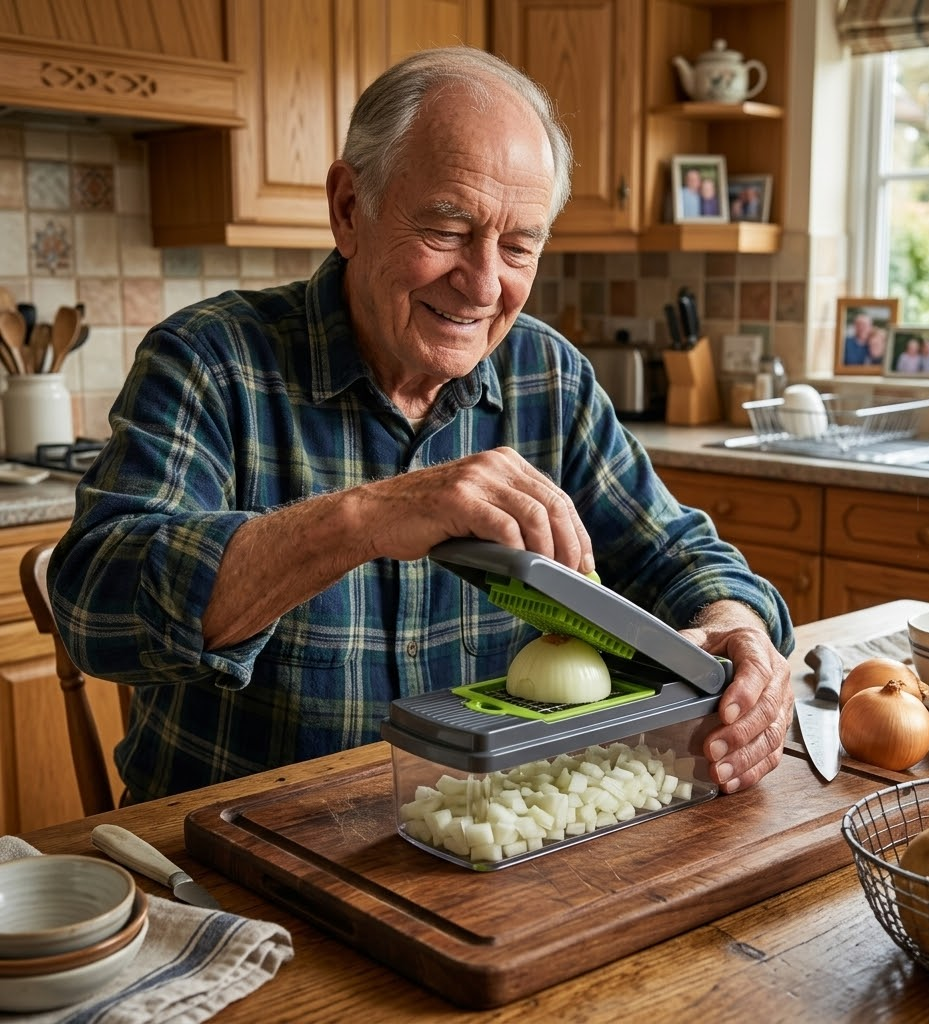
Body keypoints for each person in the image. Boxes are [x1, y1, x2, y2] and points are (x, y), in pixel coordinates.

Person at [48, 46, 794, 807]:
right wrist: (364, 517)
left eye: (518, 246)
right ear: (348, 209)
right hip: (237, 846)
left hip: (479, 838)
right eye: (446, 229)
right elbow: (93, 606)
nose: (481, 283)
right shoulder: (212, 358)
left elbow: (678, 553)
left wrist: (736, 625)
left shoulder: (550, 376)